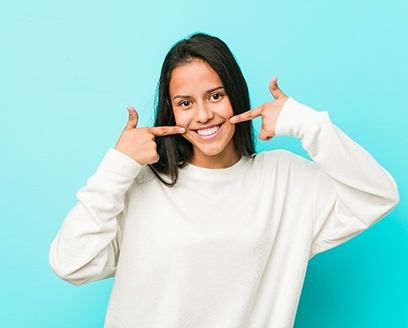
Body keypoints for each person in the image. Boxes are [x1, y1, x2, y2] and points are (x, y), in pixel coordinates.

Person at [49, 33, 399, 327]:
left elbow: (377, 195)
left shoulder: (285, 180)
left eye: (216, 96)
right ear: (171, 111)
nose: (204, 115)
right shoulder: (141, 185)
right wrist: (118, 166)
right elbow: (71, 263)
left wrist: (308, 123)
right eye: (185, 103)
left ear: (236, 94)